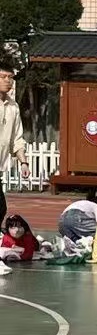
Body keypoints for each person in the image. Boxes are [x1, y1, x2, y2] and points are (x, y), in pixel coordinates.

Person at [0, 67, 28, 247]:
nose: (7, 81)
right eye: (3, 77)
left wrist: (23, 162)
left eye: (10, 77)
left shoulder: (13, 107)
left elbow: (17, 138)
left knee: (1, 209)